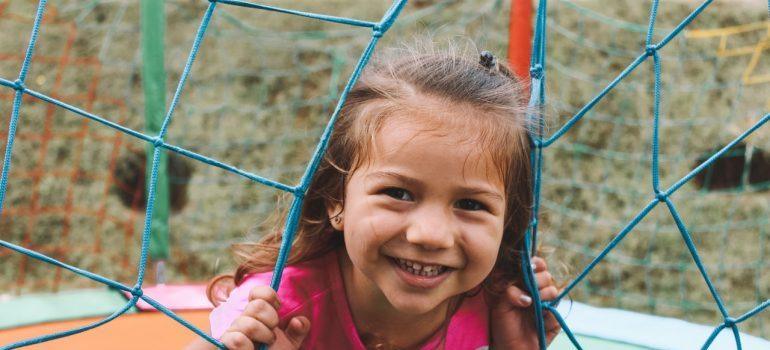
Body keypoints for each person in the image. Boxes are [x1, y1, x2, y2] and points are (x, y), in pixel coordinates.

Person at [190, 41, 561, 350]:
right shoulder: (271, 311)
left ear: (507, 222)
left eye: (470, 204)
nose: (429, 234)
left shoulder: (500, 308)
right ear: (337, 200)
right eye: (398, 193)